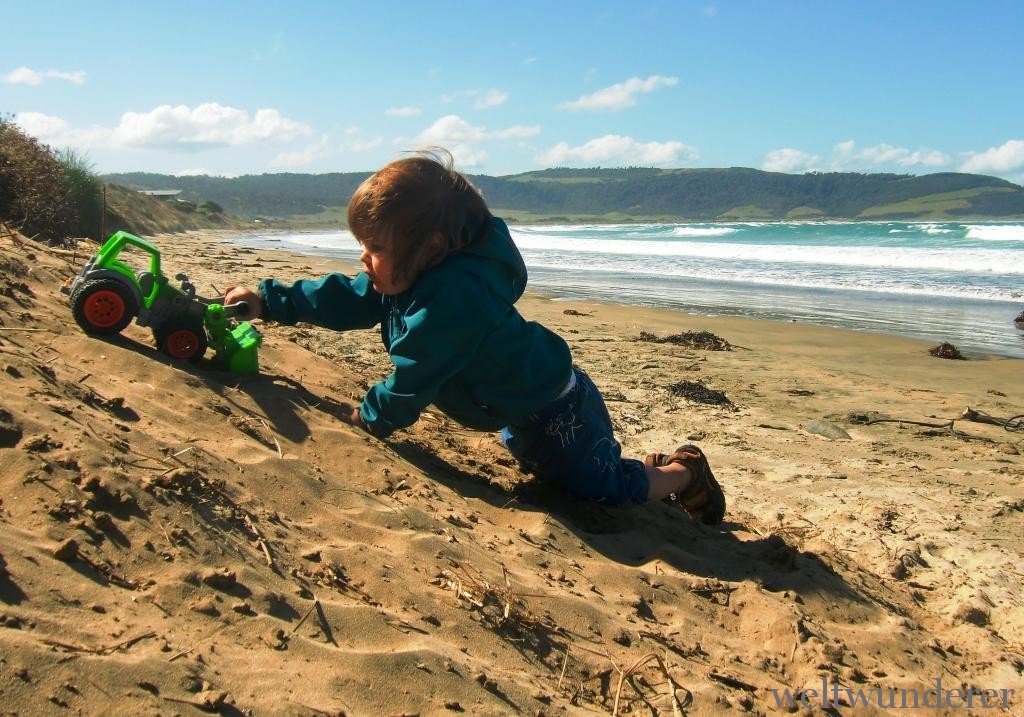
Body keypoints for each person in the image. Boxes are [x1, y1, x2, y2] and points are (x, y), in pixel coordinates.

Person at [225, 150, 726, 524]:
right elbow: (344, 297)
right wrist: (271, 300)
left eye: (375, 246)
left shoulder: (452, 299)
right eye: (363, 244)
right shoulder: (408, 275)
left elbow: (416, 374)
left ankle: (684, 471)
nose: (364, 258)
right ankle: (642, 464)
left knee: (602, 487)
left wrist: (369, 416)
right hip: (515, 408)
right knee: (558, 471)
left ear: (433, 247)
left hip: (556, 405)